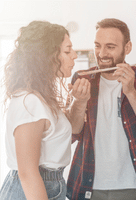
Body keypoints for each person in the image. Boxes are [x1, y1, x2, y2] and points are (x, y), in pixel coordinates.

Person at [66, 18, 136, 200]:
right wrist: (79, 102)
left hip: (129, 186)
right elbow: (72, 133)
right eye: (98, 46)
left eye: (110, 47)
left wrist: (130, 91)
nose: (102, 53)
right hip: (86, 185)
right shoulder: (83, 78)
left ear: (127, 48)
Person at [0, 20, 90, 200]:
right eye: (67, 50)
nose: (74, 55)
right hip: (32, 187)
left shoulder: (42, 98)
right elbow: (27, 173)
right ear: (46, 56)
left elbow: (73, 129)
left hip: (49, 184)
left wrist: (80, 102)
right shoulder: (30, 102)